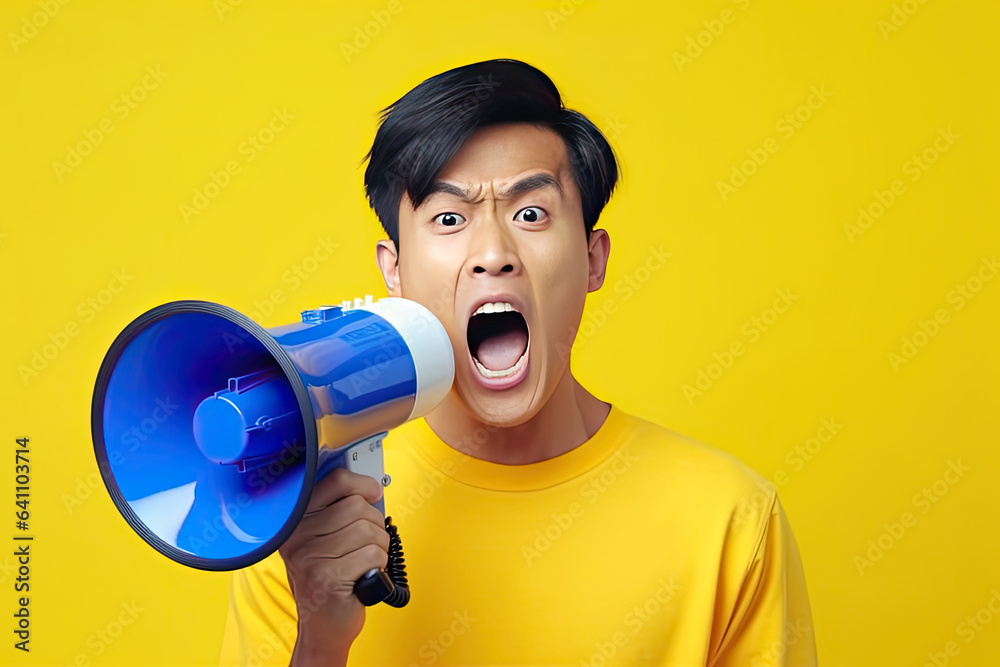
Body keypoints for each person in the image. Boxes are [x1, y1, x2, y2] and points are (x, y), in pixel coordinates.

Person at [219, 58, 817, 666]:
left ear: (592, 258)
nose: (493, 254)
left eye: (530, 214)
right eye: (448, 219)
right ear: (393, 273)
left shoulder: (730, 521)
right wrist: (320, 640)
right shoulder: (306, 521)